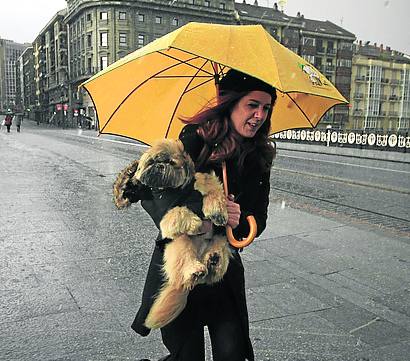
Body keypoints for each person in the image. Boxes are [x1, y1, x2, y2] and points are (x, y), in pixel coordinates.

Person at [124, 69, 277, 361]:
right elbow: (159, 200)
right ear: (230, 103)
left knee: (232, 353)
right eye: (252, 105)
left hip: (223, 270)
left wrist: (238, 220)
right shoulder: (195, 140)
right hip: (183, 268)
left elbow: (259, 219)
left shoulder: (258, 157)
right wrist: (204, 217)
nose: (260, 115)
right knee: (186, 356)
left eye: (266, 108)